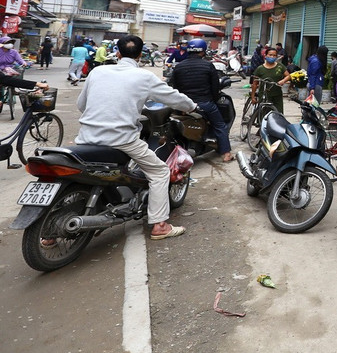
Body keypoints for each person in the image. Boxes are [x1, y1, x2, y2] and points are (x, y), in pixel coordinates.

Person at [76, 34, 195, 240]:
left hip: (86, 136)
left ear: (118, 53)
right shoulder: (145, 77)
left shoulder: (97, 71)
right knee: (159, 172)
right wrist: (192, 106)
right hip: (121, 138)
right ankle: (160, 225)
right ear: (140, 55)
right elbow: (174, 97)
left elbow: (81, 106)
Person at [169, 39, 233, 163]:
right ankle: (226, 154)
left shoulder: (179, 67)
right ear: (203, 52)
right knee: (220, 125)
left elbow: (174, 87)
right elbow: (215, 87)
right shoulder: (208, 65)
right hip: (205, 104)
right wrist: (213, 100)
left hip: (184, 105)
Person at [252, 47, 290, 114]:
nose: (272, 57)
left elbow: (288, 76)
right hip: (264, 94)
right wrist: (253, 97)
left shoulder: (280, 66)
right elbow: (254, 84)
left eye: (274, 55)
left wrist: (283, 81)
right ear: (265, 55)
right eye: (270, 55)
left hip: (277, 95)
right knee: (263, 114)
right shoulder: (260, 69)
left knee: (278, 114)